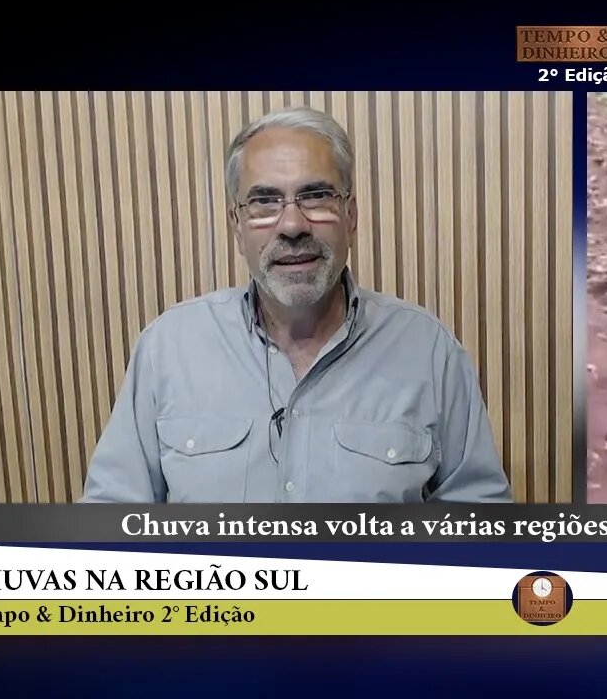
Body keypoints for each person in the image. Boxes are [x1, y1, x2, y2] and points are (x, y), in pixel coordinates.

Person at [80, 107, 512, 503]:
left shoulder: (430, 351)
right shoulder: (168, 348)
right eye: (264, 202)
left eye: (316, 195)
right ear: (237, 226)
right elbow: (110, 521)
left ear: (351, 215)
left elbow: (477, 523)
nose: (291, 225)